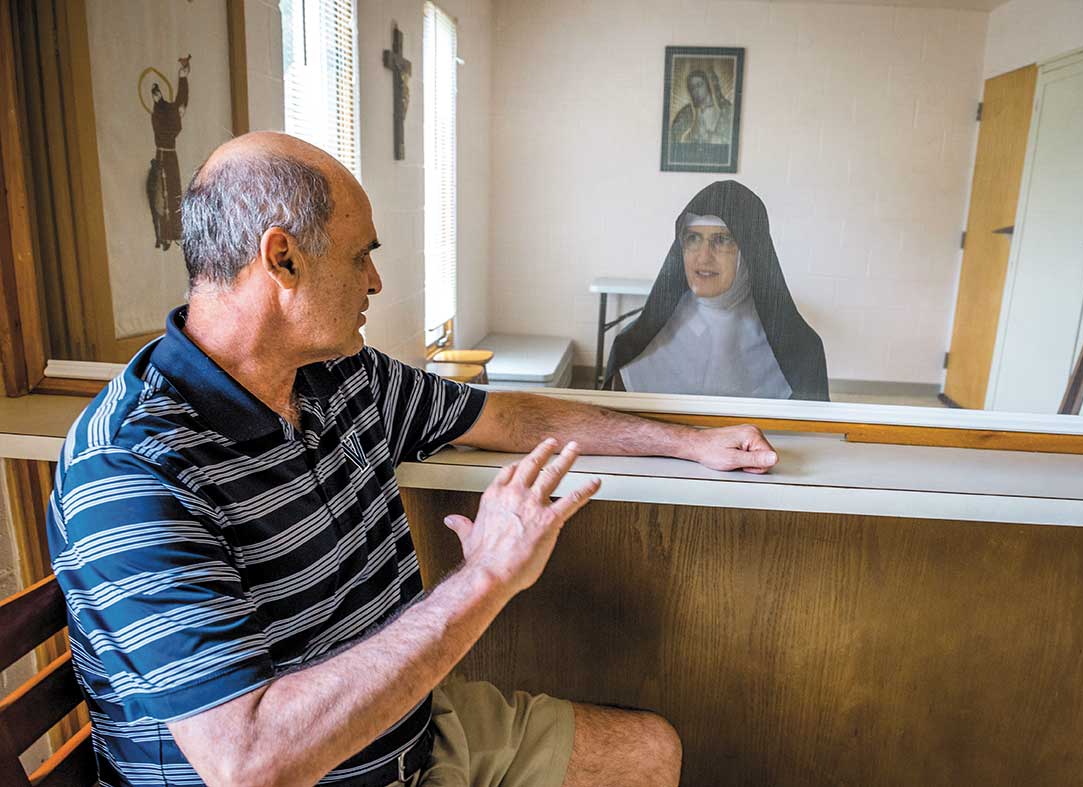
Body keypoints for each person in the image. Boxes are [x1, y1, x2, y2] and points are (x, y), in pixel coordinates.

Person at [47, 132, 781, 787]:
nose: (375, 282)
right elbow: (251, 764)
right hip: (313, 770)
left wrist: (688, 441)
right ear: (282, 259)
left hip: (412, 739)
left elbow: (506, 416)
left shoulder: (342, 376)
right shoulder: (132, 466)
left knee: (648, 751)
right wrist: (488, 575)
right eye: (360, 255)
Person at [604, 180, 829, 400]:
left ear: (751, 251)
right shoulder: (634, 346)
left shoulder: (802, 353)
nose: (703, 257)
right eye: (693, 238)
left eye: (722, 240)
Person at [148, 55, 191, 249]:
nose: (181, 112)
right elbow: (178, 104)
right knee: (163, 192)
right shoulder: (161, 113)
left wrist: (183, 75)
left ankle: (175, 230)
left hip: (171, 156)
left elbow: (182, 100)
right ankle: (165, 233)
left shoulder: (170, 110)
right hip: (163, 155)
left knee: (173, 190)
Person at [669, 68, 733, 146]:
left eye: (699, 85)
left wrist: (708, 136)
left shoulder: (726, 109)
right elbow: (673, 139)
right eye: (692, 88)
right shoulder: (685, 113)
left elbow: (729, 139)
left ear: (708, 85)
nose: (696, 90)